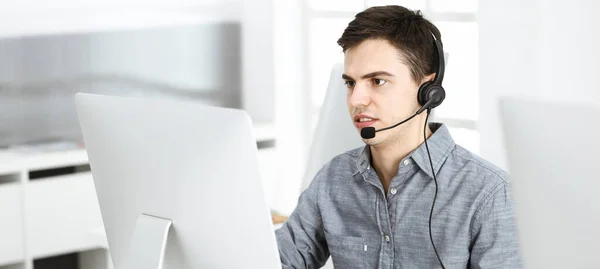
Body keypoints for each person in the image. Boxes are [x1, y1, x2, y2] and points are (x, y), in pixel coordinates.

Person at [275, 5, 522, 269]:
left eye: (377, 81)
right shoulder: (333, 179)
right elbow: (276, 261)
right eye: (350, 83)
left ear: (428, 90)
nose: (356, 99)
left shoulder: (489, 193)